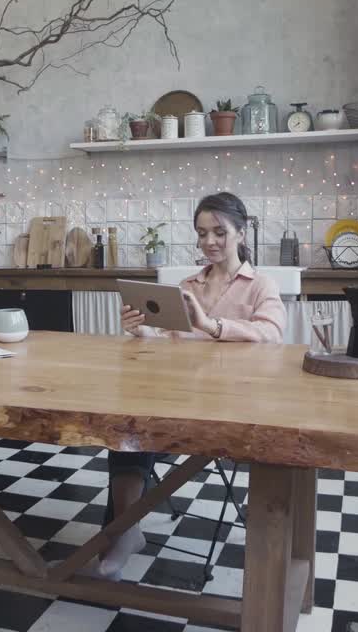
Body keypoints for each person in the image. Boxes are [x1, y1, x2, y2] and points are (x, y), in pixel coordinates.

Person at [97, 191, 286, 579]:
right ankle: (125, 532)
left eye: (219, 232)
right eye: (202, 233)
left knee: (137, 432)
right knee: (126, 429)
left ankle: (120, 532)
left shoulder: (260, 285)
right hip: (181, 398)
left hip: (237, 405)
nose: (210, 242)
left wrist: (209, 325)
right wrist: (142, 330)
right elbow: (171, 343)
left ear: (242, 233)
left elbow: (272, 334)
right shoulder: (187, 285)